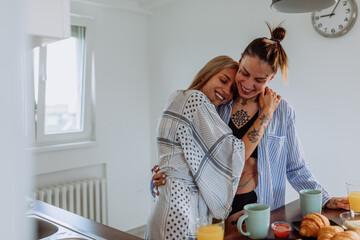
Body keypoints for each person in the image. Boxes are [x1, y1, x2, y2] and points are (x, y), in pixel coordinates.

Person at [151, 23, 349, 236]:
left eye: (259, 80)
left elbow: (296, 168)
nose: (247, 84)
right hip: (211, 217)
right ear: (240, 59)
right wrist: (162, 178)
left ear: (270, 79)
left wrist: (326, 198)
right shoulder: (216, 104)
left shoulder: (282, 112)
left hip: (262, 216)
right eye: (244, 73)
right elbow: (188, 155)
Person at [144, 55, 281, 240]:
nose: (226, 91)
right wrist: (266, 113)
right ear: (207, 74)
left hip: (179, 205)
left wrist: (160, 176)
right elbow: (234, 154)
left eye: (232, 89)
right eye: (223, 80)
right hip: (178, 210)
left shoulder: (181, 99)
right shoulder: (194, 100)